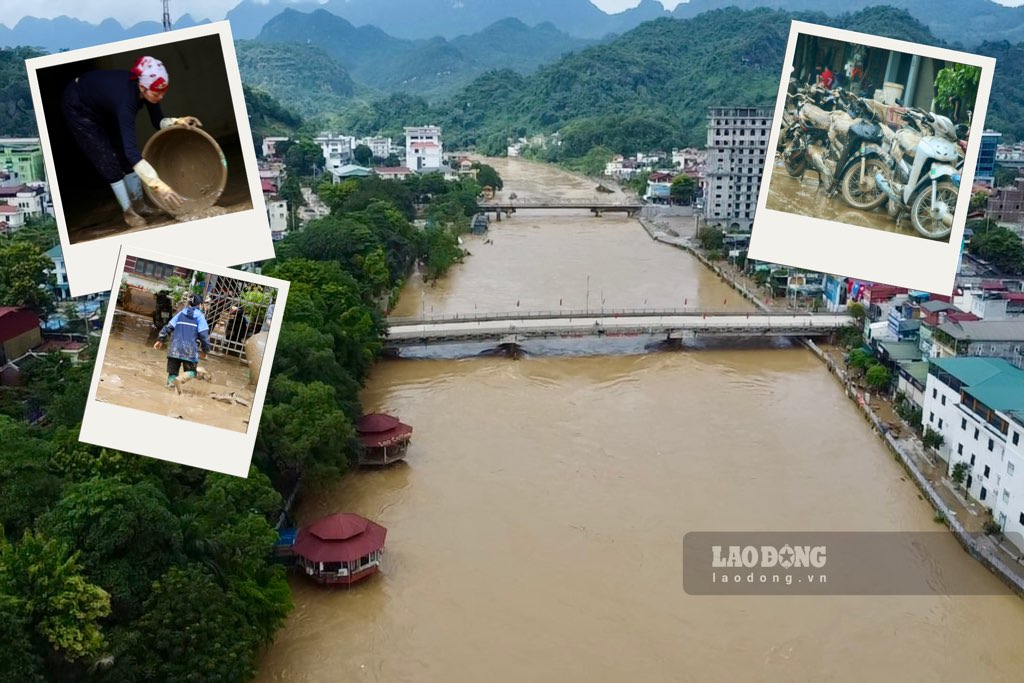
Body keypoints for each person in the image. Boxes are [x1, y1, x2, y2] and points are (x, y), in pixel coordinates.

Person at [61, 55, 203, 229]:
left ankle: (140, 206)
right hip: (79, 104)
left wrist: (176, 121)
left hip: (103, 105)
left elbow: (157, 121)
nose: (161, 97)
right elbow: (132, 152)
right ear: (142, 88)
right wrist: (157, 184)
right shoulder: (126, 102)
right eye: (157, 93)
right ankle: (128, 211)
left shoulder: (150, 88)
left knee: (122, 150)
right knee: (106, 157)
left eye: (164, 92)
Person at [153, 293, 211, 391]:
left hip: (174, 349)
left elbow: (168, 327)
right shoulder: (200, 317)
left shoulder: (180, 314)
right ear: (200, 305)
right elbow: (204, 337)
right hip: (189, 350)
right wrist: (205, 350)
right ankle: (180, 379)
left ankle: (170, 386)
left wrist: (160, 340)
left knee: (172, 372)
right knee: (192, 372)